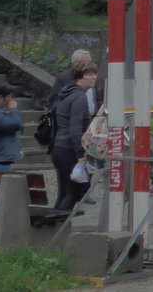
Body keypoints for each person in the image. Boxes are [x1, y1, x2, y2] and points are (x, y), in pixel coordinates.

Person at [51, 62, 98, 212]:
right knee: (72, 194)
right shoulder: (79, 97)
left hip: (58, 147)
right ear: (80, 77)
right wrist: (79, 155)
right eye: (89, 74)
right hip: (69, 149)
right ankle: (60, 231)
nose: (94, 77)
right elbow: (75, 128)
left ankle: (54, 228)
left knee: (64, 193)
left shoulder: (65, 93)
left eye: (94, 73)